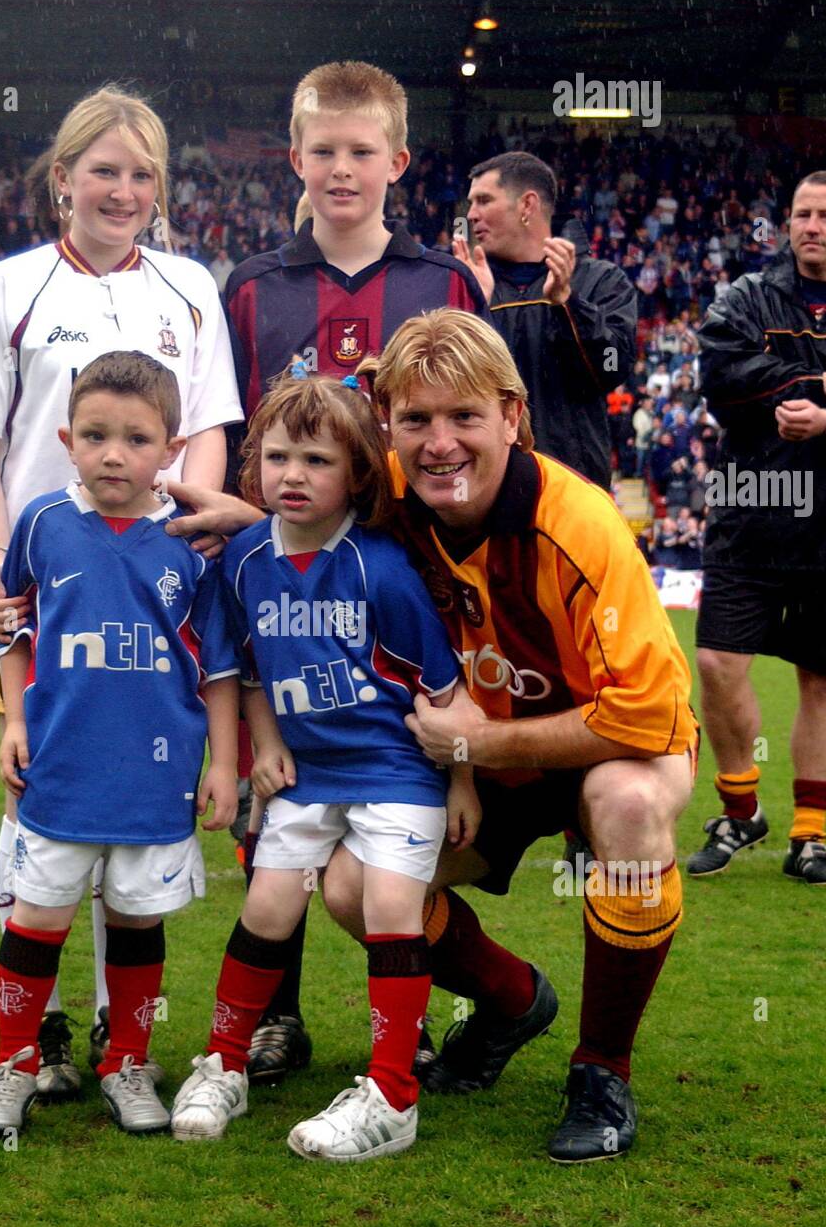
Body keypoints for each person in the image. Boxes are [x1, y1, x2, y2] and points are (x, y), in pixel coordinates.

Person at [166, 310, 697, 1163]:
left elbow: (642, 716)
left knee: (628, 807)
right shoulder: (394, 497)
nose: (439, 443)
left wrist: (480, 748)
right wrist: (243, 513)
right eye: (415, 420)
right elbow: (311, 504)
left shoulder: (582, 524)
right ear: (388, 428)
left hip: (596, 746)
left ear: (513, 417)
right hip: (470, 756)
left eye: (465, 417)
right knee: (349, 886)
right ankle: (513, 1000)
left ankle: (602, 1070)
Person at [0, 85, 243, 1099]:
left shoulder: (189, 286)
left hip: (153, 590)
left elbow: (208, 429)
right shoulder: (7, 286)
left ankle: (124, 1040)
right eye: (102, 169)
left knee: (138, 801)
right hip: (40, 592)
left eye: (141, 173)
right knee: (32, 790)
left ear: (160, 190)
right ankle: (44, 1032)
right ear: (61, 178)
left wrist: (190, 528)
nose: (122, 190)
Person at [222, 60, 487, 1083]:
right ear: (294, 158)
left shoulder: (446, 284)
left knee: (397, 798)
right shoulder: (249, 288)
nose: (341, 168)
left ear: (398, 161)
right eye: (322, 150)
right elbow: (235, 435)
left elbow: (477, 424)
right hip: (287, 583)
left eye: (360, 150)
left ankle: (404, 1016)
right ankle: (277, 1015)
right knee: (277, 788)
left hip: (403, 584)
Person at [168, 367, 476, 1161]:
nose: (292, 476)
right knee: (268, 905)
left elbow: (443, 688)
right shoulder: (241, 559)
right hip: (307, 773)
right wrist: (261, 747)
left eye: (316, 461)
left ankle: (392, 1095)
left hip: (397, 770)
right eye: (276, 459)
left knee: (385, 906)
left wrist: (464, 776)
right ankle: (223, 1064)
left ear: (359, 475)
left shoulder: (381, 567)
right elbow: (242, 668)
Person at [0, 352, 239, 1138]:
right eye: (95, 435)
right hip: (60, 769)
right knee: (36, 923)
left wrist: (223, 762)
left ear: (172, 448)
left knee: (136, 923)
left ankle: (128, 1063)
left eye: (136, 439)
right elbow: (8, 625)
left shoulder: (192, 542)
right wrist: (16, 720)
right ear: (66, 438)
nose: (114, 453)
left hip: (156, 780)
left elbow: (218, 667)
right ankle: (16, 1066)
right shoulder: (43, 523)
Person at [690, 170, 826, 885]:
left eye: (825, 215)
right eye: (800, 213)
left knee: (823, 677)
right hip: (748, 514)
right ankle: (740, 807)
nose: (809, 225)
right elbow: (722, 374)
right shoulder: (747, 295)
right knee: (718, 663)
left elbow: (757, 375)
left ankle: (810, 834)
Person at [451, 150, 637, 488]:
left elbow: (610, 370)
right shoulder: (461, 282)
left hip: (573, 490)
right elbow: (450, 388)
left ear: (527, 205)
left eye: (483, 201)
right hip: (484, 491)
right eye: (471, 203)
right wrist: (475, 309)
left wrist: (566, 303)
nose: (471, 215)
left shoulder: (601, 280)